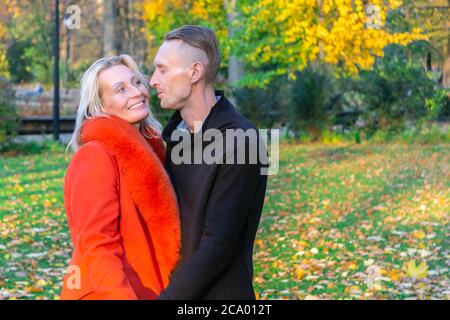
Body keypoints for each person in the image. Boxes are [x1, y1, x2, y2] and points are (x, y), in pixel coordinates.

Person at [150, 25, 268, 299]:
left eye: (163, 69)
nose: (154, 80)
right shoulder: (176, 137)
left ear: (194, 72)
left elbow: (217, 247)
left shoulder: (243, 140)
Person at [60, 54, 181, 300]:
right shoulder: (94, 156)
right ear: (100, 106)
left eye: (136, 82)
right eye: (120, 89)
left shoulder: (152, 154)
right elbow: (97, 246)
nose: (136, 92)